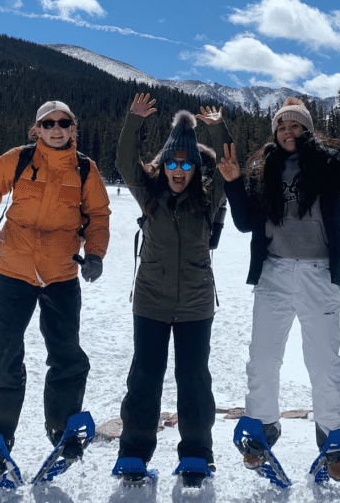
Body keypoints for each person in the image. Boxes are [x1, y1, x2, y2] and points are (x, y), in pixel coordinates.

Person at [216, 97, 340, 481]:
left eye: (295, 125)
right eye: (282, 126)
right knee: (263, 358)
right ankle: (261, 430)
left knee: (323, 360)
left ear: (308, 130)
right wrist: (232, 183)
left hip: (318, 273)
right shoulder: (264, 168)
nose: (288, 132)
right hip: (273, 273)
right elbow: (245, 223)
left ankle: (334, 438)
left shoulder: (327, 164)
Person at [0, 100, 111, 483]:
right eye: (48, 123)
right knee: (4, 357)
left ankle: (63, 431)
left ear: (73, 127)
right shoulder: (18, 159)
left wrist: (95, 254)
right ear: (37, 129)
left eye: (63, 122)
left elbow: (98, 216)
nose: (56, 128)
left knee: (67, 356)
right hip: (13, 271)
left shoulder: (85, 169)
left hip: (61, 274)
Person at [113, 93, 231, 485]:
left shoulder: (209, 199)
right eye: (172, 164)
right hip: (151, 302)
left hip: (196, 304)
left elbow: (229, 164)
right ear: (163, 166)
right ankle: (133, 453)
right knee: (144, 378)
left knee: (194, 380)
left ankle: (196, 454)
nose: (178, 171)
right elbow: (124, 162)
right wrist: (133, 122)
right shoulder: (149, 196)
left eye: (186, 164)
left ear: (196, 168)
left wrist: (220, 129)